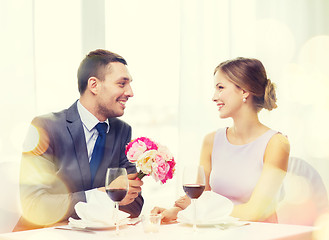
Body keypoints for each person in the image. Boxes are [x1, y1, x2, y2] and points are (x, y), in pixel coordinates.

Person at [152, 57, 290, 223]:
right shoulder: (211, 141)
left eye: (220, 88)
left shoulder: (276, 143)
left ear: (244, 91)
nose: (214, 97)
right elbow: (199, 198)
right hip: (220, 232)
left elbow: (255, 211)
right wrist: (174, 211)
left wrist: (197, 213)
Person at [17, 49, 144, 229]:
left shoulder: (123, 131)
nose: (130, 92)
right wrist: (99, 195)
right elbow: (35, 205)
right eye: (122, 83)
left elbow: (134, 204)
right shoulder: (45, 127)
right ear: (94, 85)